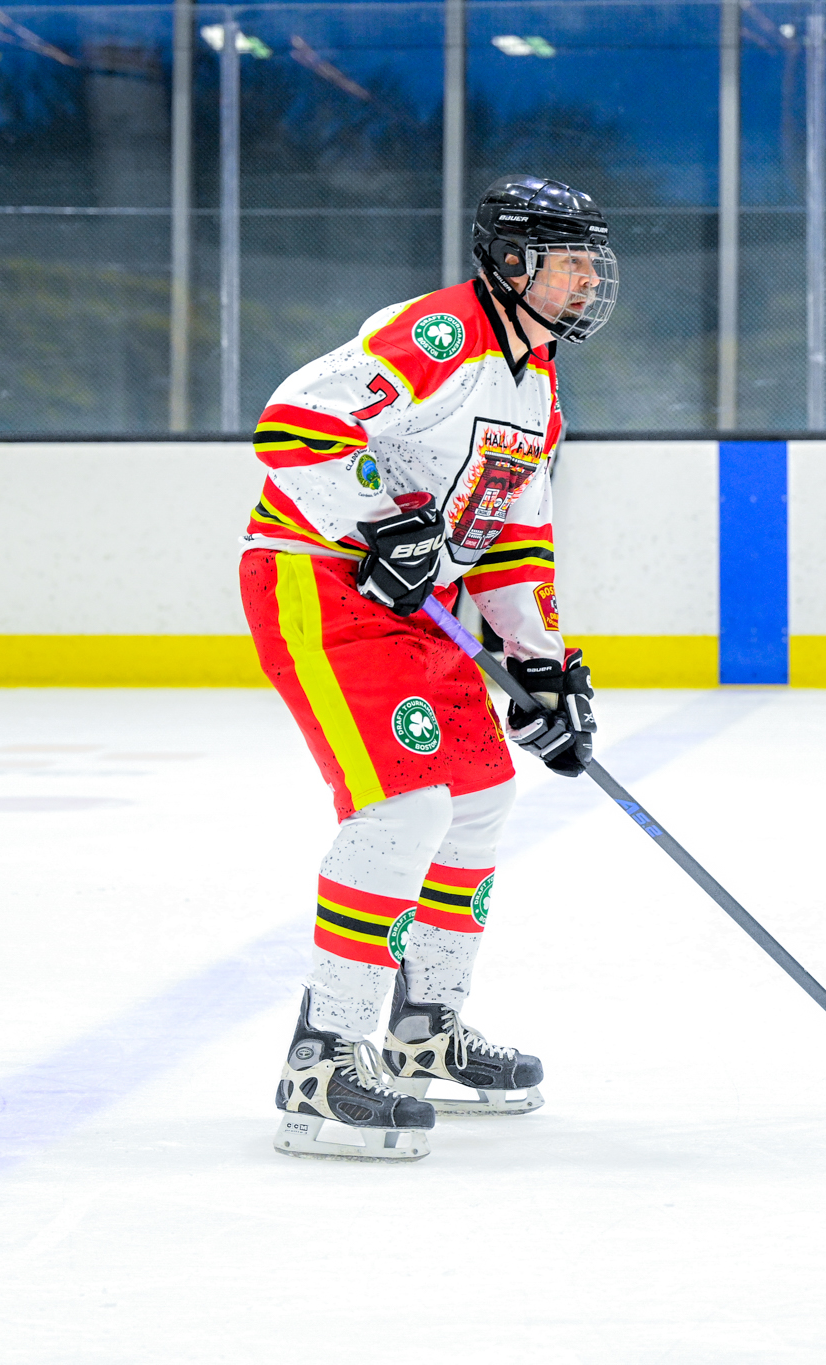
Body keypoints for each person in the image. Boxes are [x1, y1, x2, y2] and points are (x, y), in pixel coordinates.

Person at [238, 175, 620, 1161]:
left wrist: (539, 666)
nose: (587, 280)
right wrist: (376, 522)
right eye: (569, 262)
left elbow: (512, 541)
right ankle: (323, 1059)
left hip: (418, 607)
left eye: (590, 263)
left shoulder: (536, 390)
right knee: (402, 808)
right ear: (511, 263)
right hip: (318, 580)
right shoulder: (442, 334)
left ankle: (423, 1033)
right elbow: (292, 424)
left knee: (482, 795)